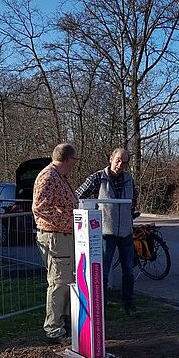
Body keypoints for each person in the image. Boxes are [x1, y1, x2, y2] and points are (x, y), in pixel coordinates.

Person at [76, 148, 139, 314]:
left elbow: (134, 200)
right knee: (102, 272)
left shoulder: (129, 179)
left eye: (124, 162)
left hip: (126, 232)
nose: (120, 165)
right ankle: (100, 307)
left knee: (128, 271)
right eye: (118, 160)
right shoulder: (98, 178)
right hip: (105, 233)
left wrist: (129, 216)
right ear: (111, 158)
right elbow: (78, 195)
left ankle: (128, 304)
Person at [33, 143, 79, 343]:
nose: (75, 164)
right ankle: (54, 329)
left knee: (67, 280)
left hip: (64, 236)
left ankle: (67, 323)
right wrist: (70, 222)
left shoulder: (60, 177)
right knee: (58, 283)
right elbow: (40, 208)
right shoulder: (49, 177)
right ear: (68, 159)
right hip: (55, 237)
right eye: (74, 160)